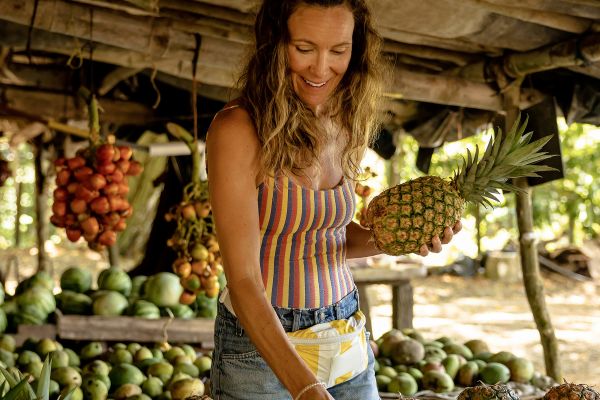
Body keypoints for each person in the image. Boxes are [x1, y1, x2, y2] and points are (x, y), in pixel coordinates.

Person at [206, 1, 461, 399]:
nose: (321, 68)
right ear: (274, 44)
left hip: (344, 332)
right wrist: (306, 388)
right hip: (260, 349)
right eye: (304, 48)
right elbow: (243, 280)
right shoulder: (237, 129)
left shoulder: (348, 119)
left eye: (339, 51)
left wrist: (397, 239)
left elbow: (331, 238)